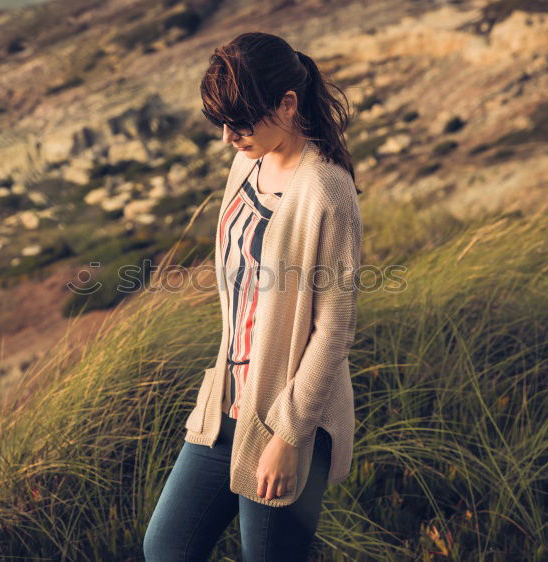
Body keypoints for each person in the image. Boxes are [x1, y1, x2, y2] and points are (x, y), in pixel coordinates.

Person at [144, 31, 361, 561]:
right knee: (166, 547)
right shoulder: (249, 160)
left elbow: (333, 331)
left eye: (238, 122)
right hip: (228, 400)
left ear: (287, 104)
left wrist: (288, 436)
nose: (226, 137)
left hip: (288, 415)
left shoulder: (326, 191)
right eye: (221, 122)